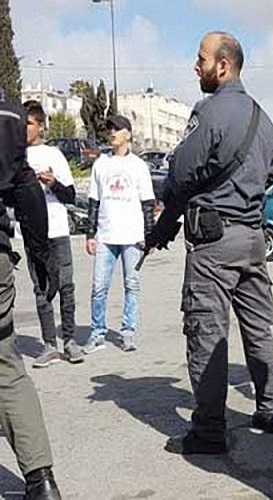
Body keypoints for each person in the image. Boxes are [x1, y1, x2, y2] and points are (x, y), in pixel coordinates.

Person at [145, 31, 273, 455]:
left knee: (206, 329)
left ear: (223, 66)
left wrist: (169, 213)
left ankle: (208, 431)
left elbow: (180, 173)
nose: (196, 66)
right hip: (252, 238)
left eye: (201, 59)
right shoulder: (263, 118)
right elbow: (270, 174)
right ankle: (270, 407)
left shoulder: (208, 112)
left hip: (214, 242)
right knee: (258, 326)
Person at [0, 89, 62, 499]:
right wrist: (41, 256)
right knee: (6, 365)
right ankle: (42, 481)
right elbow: (24, 184)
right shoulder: (8, 111)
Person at [83, 115, 155, 354]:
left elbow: (148, 203)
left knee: (131, 285)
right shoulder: (101, 164)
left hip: (132, 236)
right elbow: (93, 202)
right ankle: (97, 333)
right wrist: (90, 234)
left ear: (128, 134)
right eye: (110, 129)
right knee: (98, 287)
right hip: (106, 235)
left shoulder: (138, 166)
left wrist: (150, 237)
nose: (112, 133)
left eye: (117, 129)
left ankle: (128, 332)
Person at [23, 100, 83, 367]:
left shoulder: (53, 155)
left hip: (57, 231)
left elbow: (70, 195)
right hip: (32, 233)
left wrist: (53, 183)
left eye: (28, 124)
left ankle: (69, 340)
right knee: (41, 289)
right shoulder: (15, 157)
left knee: (66, 286)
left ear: (40, 126)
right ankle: (49, 345)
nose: (23, 129)